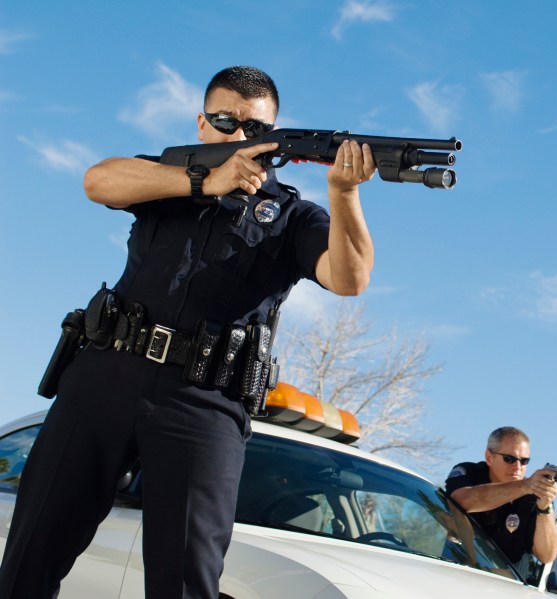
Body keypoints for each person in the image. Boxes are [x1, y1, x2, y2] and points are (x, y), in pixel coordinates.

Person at [0, 66, 375, 599]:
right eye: (225, 121)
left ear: (276, 136)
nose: (239, 136)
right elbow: (97, 180)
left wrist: (344, 195)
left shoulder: (294, 216)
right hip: (105, 374)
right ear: (202, 123)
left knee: (184, 582)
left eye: (255, 128)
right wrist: (201, 181)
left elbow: (350, 278)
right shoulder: (168, 177)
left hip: (203, 402)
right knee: (28, 560)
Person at [445, 426, 557, 575]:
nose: (517, 467)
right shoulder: (470, 473)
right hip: (456, 575)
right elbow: (461, 501)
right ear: (489, 457)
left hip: (506, 586)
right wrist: (524, 486)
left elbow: (546, 556)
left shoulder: (534, 493)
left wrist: (544, 509)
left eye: (524, 461)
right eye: (509, 459)